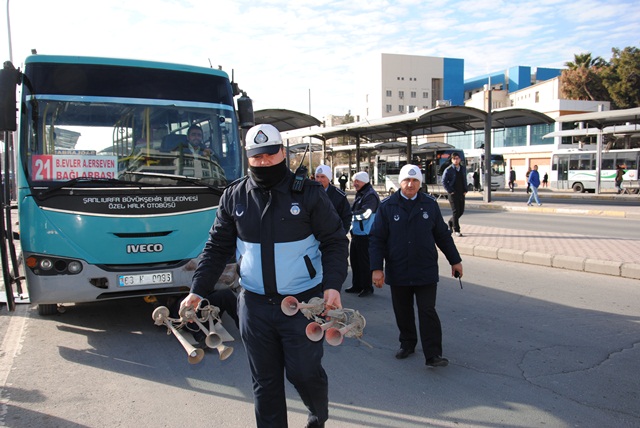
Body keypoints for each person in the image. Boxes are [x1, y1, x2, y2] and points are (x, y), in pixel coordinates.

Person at [180, 123, 348, 428]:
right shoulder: (235, 196)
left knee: (303, 373)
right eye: (258, 157)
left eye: (271, 155)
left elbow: (335, 241)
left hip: (302, 306)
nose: (265, 162)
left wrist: (332, 286)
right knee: (265, 384)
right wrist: (197, 291)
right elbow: (216, 248)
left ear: (282, 152)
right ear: (248, 157)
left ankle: (317, 415)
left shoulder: (308, 193)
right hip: (254, 307)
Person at [369, 164, 463, 368]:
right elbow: (377, 239)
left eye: (415, 181)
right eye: (406, 180)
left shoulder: (429, 204)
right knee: (402, 310)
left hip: (425, 269)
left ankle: (433, 354)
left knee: (427, 310)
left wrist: (455, 260)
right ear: (400, 182)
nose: (410, 184)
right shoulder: (387, 206)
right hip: (398, 268)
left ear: (420, 183)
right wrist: (377, 268)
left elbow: (442, 235)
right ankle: (407, 343)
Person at [345, 171, 380, 297]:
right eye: (354, 181)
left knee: (364, 262)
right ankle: (357, 285)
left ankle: (367, 287)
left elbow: (366, 214)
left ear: (364, 181)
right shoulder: (361, 194)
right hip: (357, 233)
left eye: (357, 181)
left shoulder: (370, 195)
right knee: (355, 261)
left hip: (365, 234)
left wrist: (349, 216)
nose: (354, 184)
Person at [315, 165, 352, 234]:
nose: (319, 180)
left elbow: (346, 217)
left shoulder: (339, 196)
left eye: (322, 177)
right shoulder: (310, 193)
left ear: (329, 178)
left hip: (332, 236)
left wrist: (341, 234)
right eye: (317, 176)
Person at [442, 152, 467, 237]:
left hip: (461, 193)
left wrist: (465, 190)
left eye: (457, 158)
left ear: (460, 159)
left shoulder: (462, 168)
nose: (456, 160)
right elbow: (444, 182)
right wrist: (450, 190)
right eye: (454, 159)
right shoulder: (448, 170)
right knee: (456, 211)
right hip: (453, 193)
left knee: (461, 211)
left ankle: (450, 222)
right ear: (452, 160)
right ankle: (457, 229)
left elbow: (464, 179)